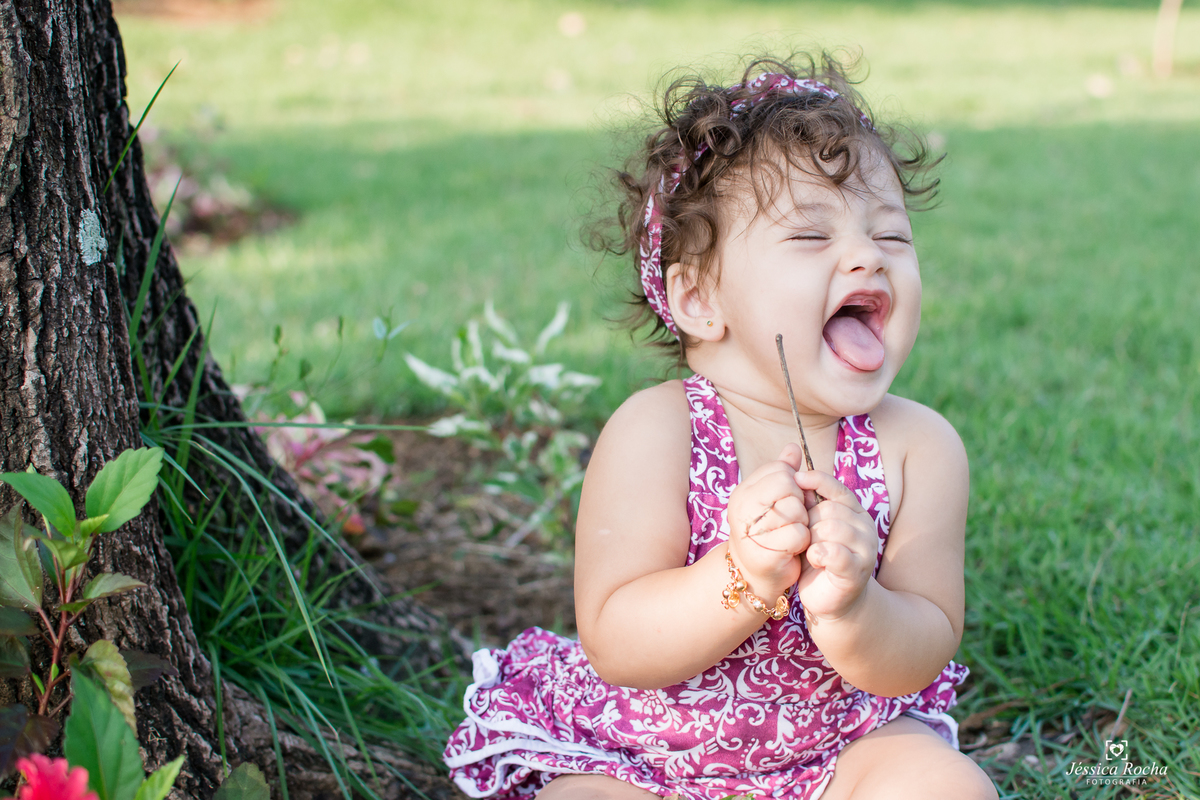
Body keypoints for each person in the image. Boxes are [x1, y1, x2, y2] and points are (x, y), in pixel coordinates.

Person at [443, 52, 998, 800]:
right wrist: (741, 576)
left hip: (841, 750)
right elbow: (615, 638)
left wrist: (855, 606)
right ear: (701, 299)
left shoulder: (917, 449)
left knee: (945, 787)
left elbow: (923, 646)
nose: (868, 255)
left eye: (891, 237)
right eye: (810, 237)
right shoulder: (657, 431)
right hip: (638, 756)